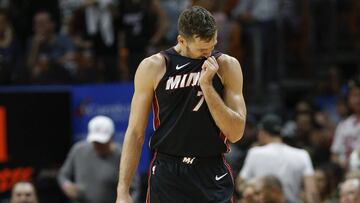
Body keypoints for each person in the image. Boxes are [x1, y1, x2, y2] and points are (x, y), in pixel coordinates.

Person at [116, 6, 247, 203]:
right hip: (169, 171)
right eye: (202, 49)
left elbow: (236, 133)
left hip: (211, 170)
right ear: (181, 40)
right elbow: (135, 132)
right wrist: (123, 190)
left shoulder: (227, 66)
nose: (209, 53)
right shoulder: (154, 67)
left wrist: (207, 87)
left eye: (212, 45)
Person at [236, 114, 319, 203]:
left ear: (262, 133)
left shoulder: (255, 153)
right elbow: (312, 192)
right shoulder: (302, 154)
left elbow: (240, 184)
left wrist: (252, 189)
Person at [58, 115, 123, 203]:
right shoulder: (78, 150)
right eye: (95, 142)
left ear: (111, 138)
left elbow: (134, 188)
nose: (97, 146)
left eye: (101, 142)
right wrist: (66, 186)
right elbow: (62, 175)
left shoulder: (121, 155)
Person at [331, 76, 360, 170]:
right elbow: (334, 155)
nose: (357, 100)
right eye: (354, 96)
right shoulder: (343, 125)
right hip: (345, 176)